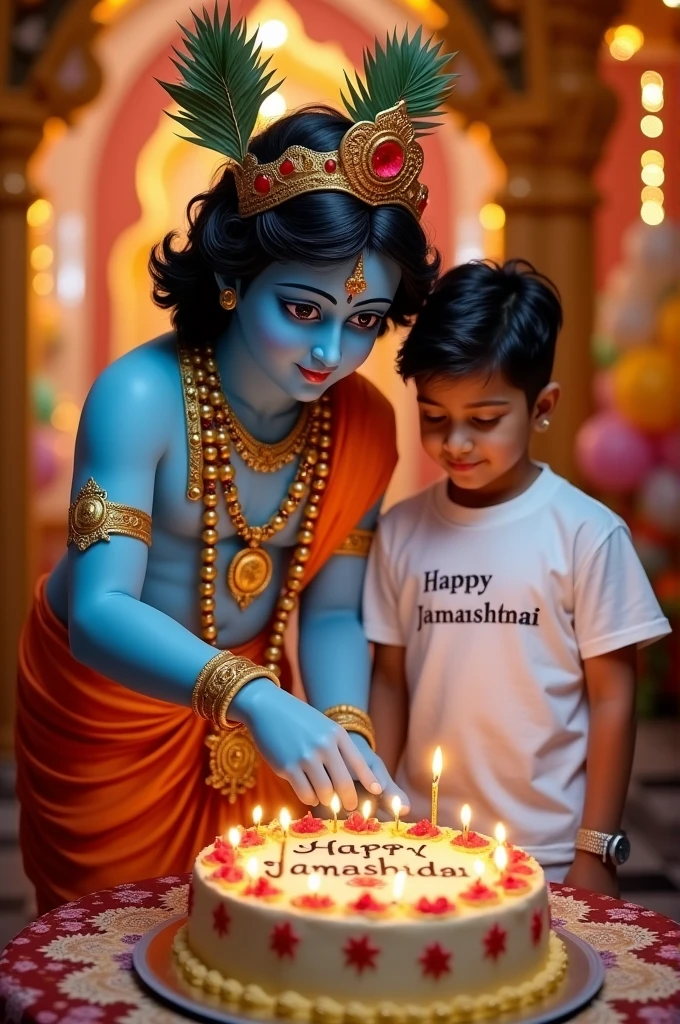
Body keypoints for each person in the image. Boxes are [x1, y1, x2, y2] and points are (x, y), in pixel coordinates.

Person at [15, 8, 457, 912]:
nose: (330, 352)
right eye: (302, 310)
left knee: (249, 946)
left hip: (262, 720)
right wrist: (253, 698)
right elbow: (99, 610)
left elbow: (333, 610)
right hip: (112, 721)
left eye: (364, 323)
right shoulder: (140, 397)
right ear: (232, 278)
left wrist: (338, 729)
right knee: (110, 962)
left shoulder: (361, 419)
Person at [364, 259, 671, 895]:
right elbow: (389, 684)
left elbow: (613, 701)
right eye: (433, 416)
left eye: (483, 419)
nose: (455, 444)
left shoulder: (587, 535)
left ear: (542, 407)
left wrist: (596, 848)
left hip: (550, 853)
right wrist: (377, 818)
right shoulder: (399, 530)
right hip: (427, 850)